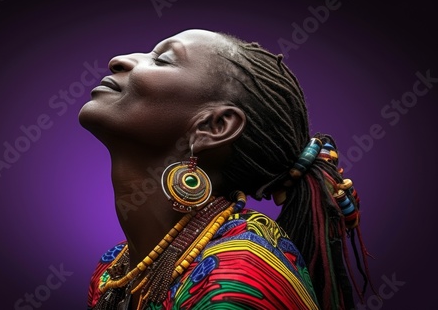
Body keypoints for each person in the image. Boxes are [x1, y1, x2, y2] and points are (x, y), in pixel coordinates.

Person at [80, 29, 373, 310]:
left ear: (214, 126)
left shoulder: (240, 275)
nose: (119, 60)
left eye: (162, 60)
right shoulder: (113, 269)